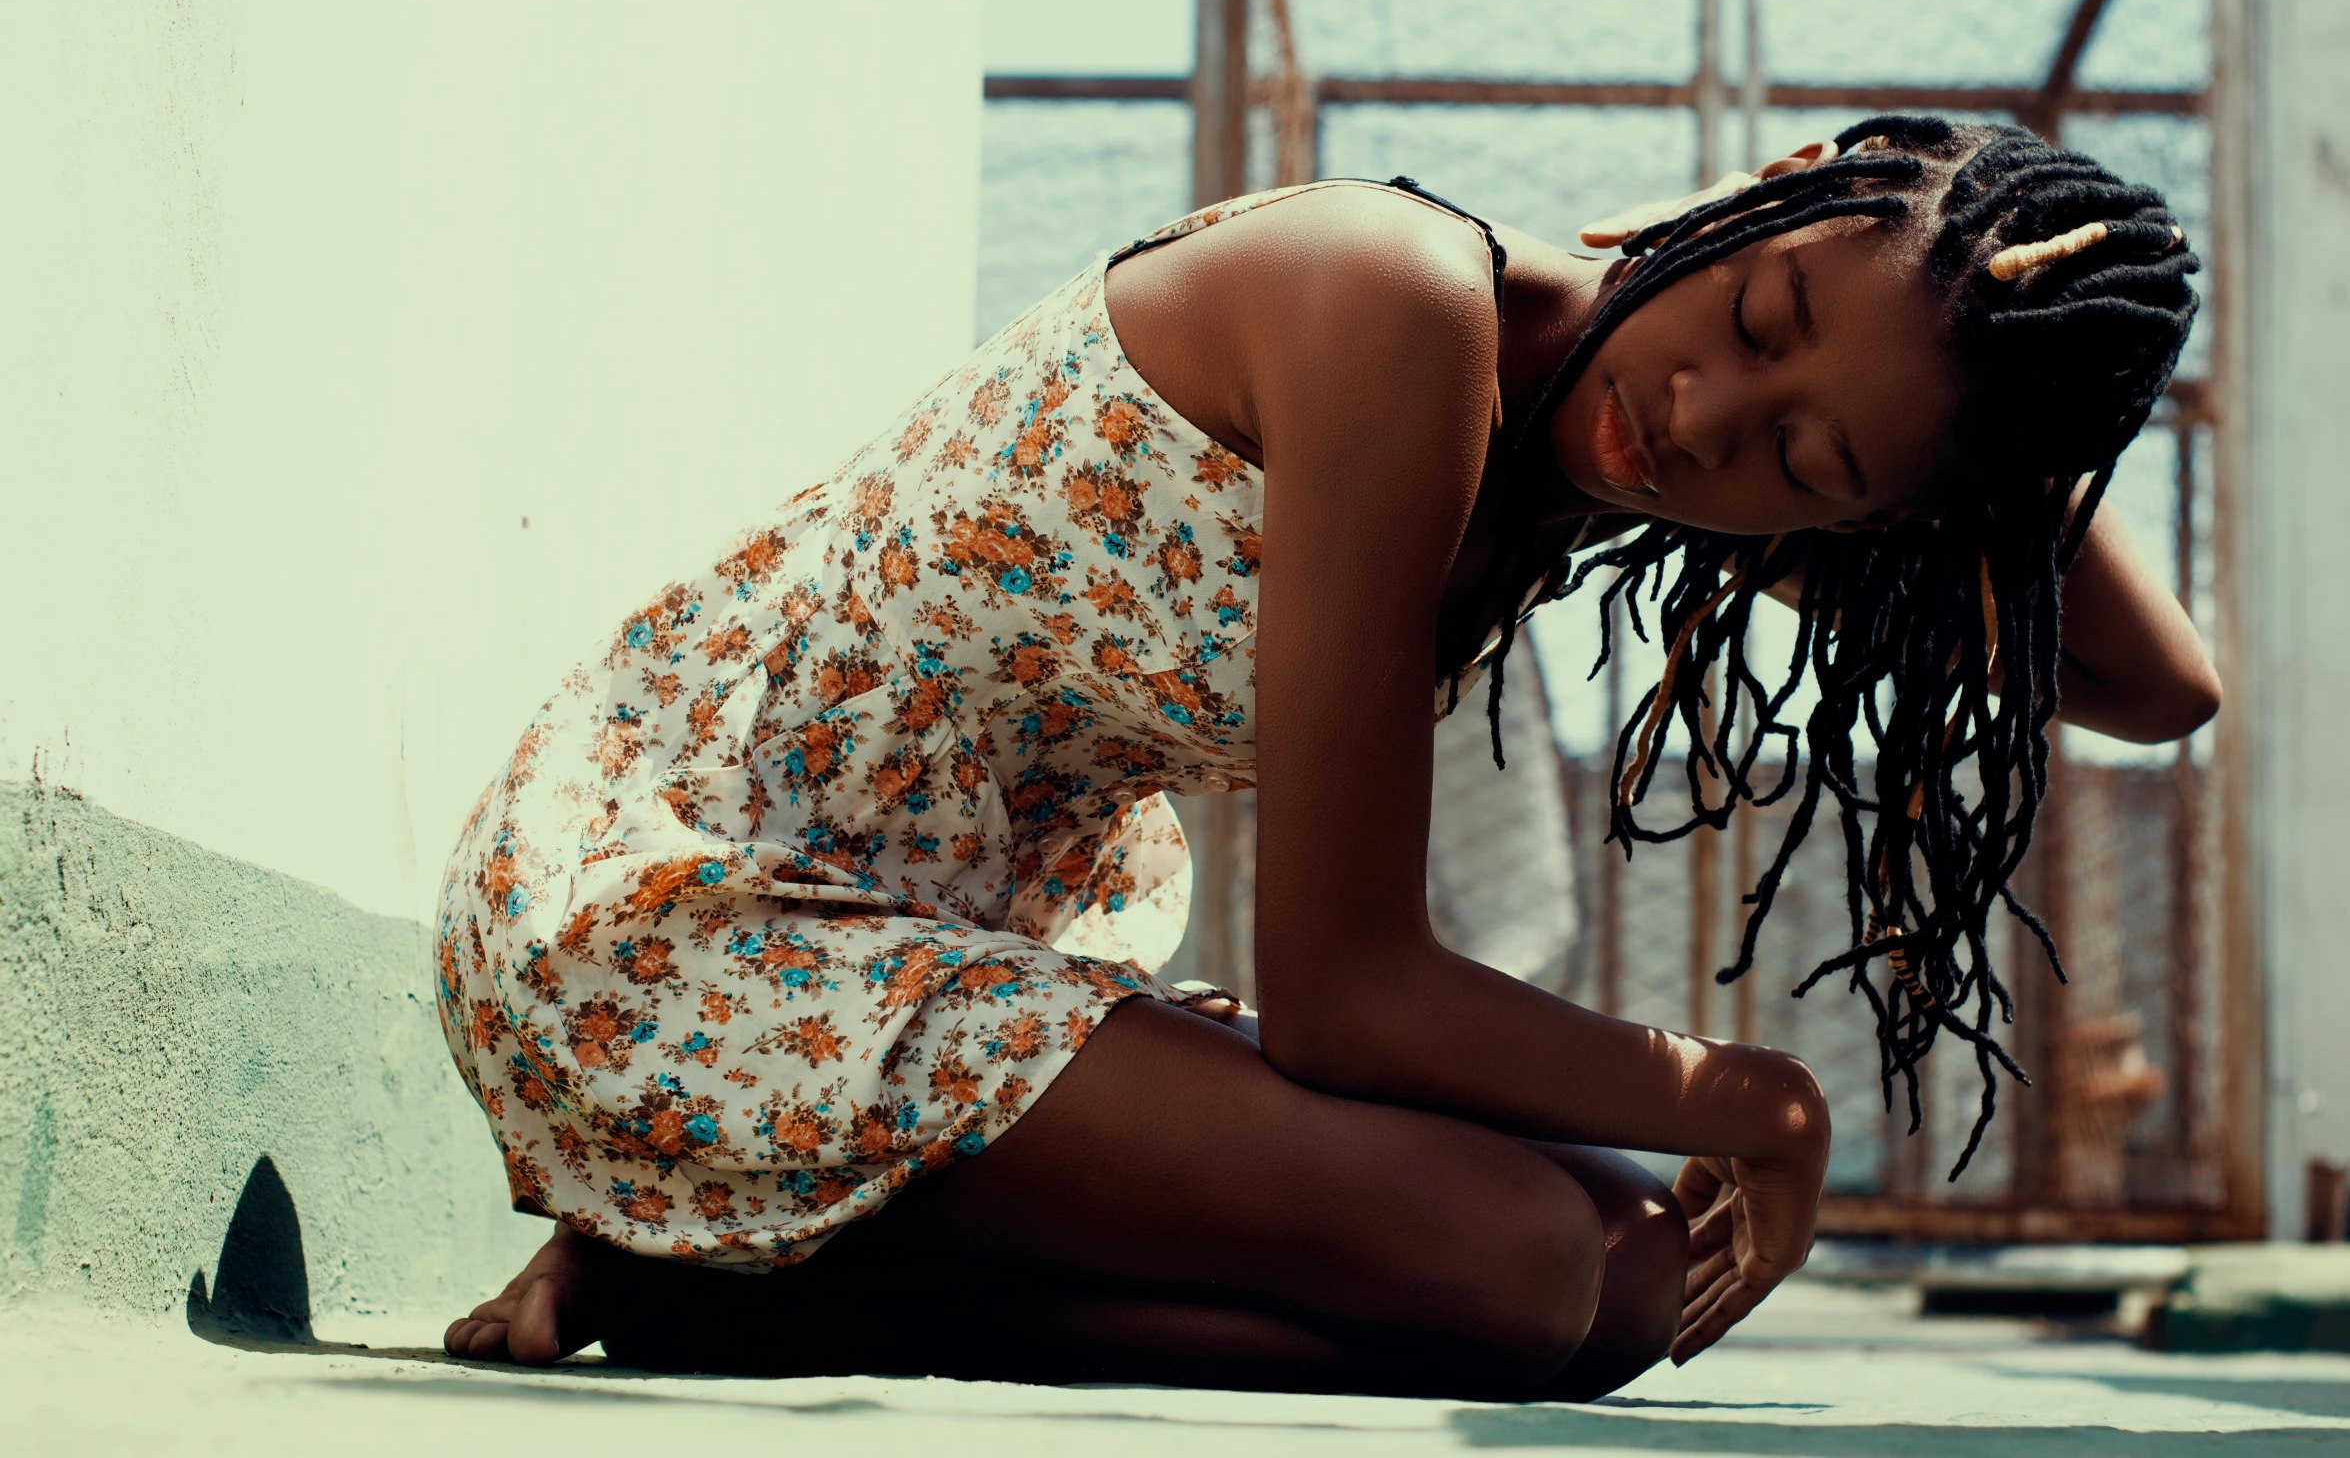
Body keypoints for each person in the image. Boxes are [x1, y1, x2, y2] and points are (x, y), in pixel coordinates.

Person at [437, 115, 2216, 1399]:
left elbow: (2157, 687)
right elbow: (1346, 998)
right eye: (1755, 322)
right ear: (1766, 195)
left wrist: (1976, 413)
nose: (1696, 423)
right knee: (1516, 1261)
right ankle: (731, 1279)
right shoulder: (1391, 303)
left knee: (1614, 1291)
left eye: (1803, 469)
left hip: (937, 967)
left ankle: (745, 1273)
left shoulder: (1570, 454)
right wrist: (1763, 1098)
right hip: (691, 927)